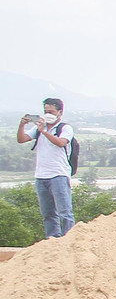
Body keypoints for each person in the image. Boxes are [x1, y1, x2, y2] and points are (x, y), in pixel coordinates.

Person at [15, 98, 75, 238]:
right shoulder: (39, 128)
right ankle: (52, 238)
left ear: (60, 112)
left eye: (51, 112)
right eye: (46, 111)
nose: (48, 114)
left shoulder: (64, 128)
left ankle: (69, 238)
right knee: (48, 213)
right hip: (41, 175)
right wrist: (22, 125)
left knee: (64, 212)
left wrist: (45, 132)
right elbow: (21, 139)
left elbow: (61, 143)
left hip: (58, 174)